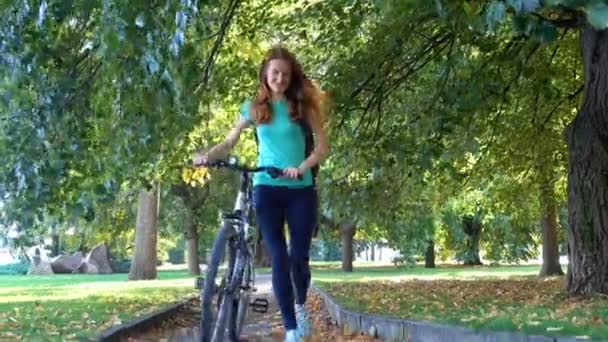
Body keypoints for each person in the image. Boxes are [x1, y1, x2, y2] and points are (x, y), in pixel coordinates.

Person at [193, 46, 329, 342]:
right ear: (265, 75)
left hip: (300, 191)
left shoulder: (302, 107)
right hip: (266, 189)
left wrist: (301, 166)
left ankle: (299, 303)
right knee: (279, 256)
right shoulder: (253, 108)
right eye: (275, 73)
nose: (279, 78)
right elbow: (229, 142)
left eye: (285, 74)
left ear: (291, 77)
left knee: (298, 258)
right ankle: (292, 328)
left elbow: (321, 148)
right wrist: (207, 154)